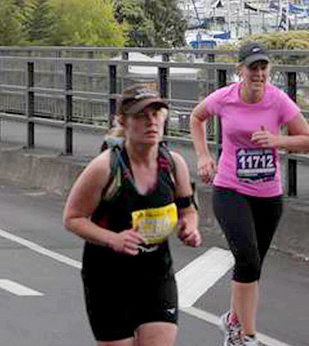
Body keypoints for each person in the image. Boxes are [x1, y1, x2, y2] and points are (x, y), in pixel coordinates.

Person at [189, 42, 309, 346]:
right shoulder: (225, 98)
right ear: (240, 70)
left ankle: (233, 321)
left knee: (251, 265)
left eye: (263, 67)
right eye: (252, 67)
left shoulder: (278, 100)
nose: (258, 73)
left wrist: (276, 140)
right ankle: (247, 336)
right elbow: (196, 117)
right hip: (230, 188)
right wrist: (203, 156)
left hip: (269, 194)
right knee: (247, 257)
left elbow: (306, 139)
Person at [64, 84, 202, 346]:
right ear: (123, 122)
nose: (151, 122)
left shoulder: (173, 164)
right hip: (108, 277)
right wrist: (112, 239)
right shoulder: (105, 167)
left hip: (156, 272)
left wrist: (190, 228)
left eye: (156, 114)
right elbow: (72, 218)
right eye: (141, 116)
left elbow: (187, 208)